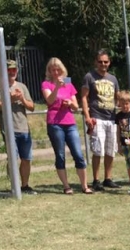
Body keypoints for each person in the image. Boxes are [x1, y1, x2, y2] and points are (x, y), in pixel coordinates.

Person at [42, 57, 90, 194]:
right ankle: (66, 186)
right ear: (49, 71)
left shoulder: (68, 83)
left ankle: (84, 186)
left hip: (70, 123)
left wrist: (70, 103)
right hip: (55, 123)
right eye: (53, 70)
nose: (56, 72)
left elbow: (76, 106)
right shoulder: (46, 84)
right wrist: (57, 87)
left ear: (62, 70)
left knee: (78, 154)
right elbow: (50, 100)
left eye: (58, 70)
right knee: (60, 155)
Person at [0, 59, 36, 195]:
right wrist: (10, 99)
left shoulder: (22, 86)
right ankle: (14, 186)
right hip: (8, 128)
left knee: (26, 158)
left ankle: (25, 185)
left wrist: (22, 99)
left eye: (14, 69)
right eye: (9, 70)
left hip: (23, 127)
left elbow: (32, 107)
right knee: (12, 158)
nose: (12, 72)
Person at [82, 49, 120, 191]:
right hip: (97, 117)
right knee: (98, 150)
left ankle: (108, 178)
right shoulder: (89, 77)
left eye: (105, 62)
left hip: (111, 118)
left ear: (109, 63)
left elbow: (117, 96)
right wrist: (87, 116)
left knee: (110, 150)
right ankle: (96, 180)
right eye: (100, 61)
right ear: (95, 62)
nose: (103, 64)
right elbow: (84, 97)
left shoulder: (113, 79)